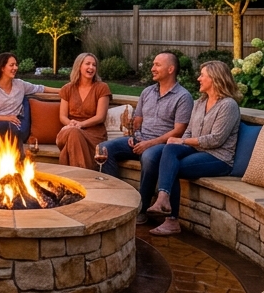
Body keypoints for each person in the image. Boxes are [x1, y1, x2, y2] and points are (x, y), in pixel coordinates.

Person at [148, 60, 242, 236]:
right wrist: (178, 143)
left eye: (202, 75)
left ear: (215, 78)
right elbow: (189, 131)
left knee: (172, 166)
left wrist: (182, 142)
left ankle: (171, 219)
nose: (198, 78)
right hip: (198, 150)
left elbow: (216, 140)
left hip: (219, 158)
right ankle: (163, 199)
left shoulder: (228, 105)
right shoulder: (200, 102)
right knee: (169, 150)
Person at [98, 52, 193, 221]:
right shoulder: (147, 92)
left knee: (149, 157)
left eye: (157, 65)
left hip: (163, 145)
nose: (152, 68)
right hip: (140, 139)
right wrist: (134, 134)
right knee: (104, 148)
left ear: (170, 69)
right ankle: (114, 197)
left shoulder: (183, 97)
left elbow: (178, 131)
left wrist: (149, 143)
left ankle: (142, 208)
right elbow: (137, 121)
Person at [0, 53, 45, 147]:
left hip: (14, 130)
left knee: (14, 132)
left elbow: (40, 88)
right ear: (2, 68)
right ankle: (21, 159)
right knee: (9, 127)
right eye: (11, 65)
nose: (15, 68)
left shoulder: (20, 85)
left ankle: (12, 159)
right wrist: (8, 118)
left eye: (16, 65)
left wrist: (63, 90)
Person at [57, 53, 111, 168]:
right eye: (87, 64)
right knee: (73, 133)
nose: (91, 67)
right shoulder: (67, 88)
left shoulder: (102, 88)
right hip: (69, 130)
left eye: (94, 65)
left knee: (73, 137)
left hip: (94, 135)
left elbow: (100, 117)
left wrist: (80, 125)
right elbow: (62, 116)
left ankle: (70, 178)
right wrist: (71, 124)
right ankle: (83, 177)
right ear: (79, 66)